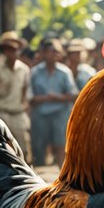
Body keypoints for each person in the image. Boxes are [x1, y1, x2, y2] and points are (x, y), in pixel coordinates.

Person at [29, 39, 76, 167]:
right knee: (39, 147)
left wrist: (57, 97)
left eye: (56, 51)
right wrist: (45, 98)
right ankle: (39, 176)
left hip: (60, 114)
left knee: (61, 145)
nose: (53, 54)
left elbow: (73, 95)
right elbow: (29, 97)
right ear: (43, 53)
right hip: (40, 114)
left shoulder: (65, 72)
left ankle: (62, 174)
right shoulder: (35, 72)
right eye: (50, 51)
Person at [0, 31, 32, 163]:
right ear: (4, 51)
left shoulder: (24, 69)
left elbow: (25, 92)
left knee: (23, 150)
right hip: (0, 113)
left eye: (15, 49)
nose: (13, 52)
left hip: (18, 113)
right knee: (1, 150)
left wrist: (24, 110)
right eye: (9, 49)